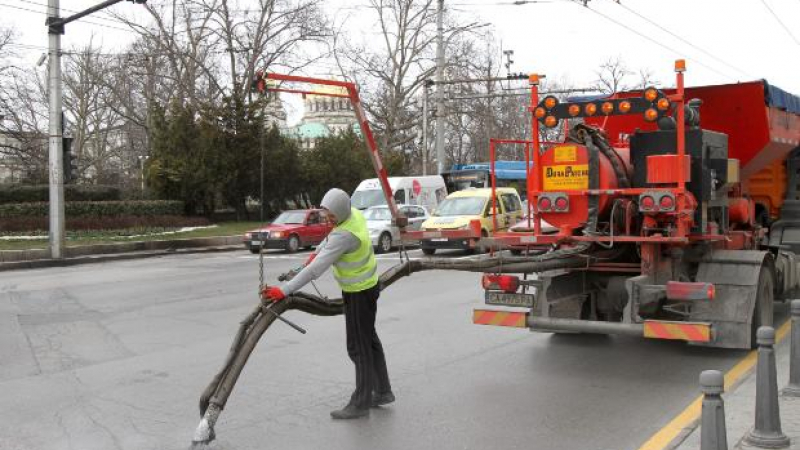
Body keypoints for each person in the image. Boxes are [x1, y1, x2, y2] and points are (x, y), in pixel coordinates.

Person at [262, 188, 394, 419]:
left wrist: (283, 290)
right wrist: (317, 250)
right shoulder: (354, 215)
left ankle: (361, 403)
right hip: (367, 288)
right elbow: (330, 238)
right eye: (326, 215)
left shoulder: (344, 236)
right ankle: (383, 391)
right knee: (370, 341)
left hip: (358, 293)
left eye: (332, 216)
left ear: (342, 212)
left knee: (358, 347)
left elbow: (316, 269)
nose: (329, 220)